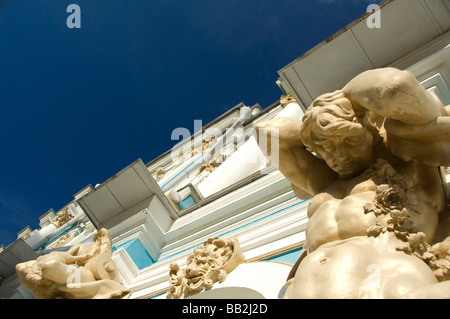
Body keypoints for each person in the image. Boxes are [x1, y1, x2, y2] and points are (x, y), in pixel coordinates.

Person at [254, 67, 450, 298]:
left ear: (371, 131)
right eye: (327, 147)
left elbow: (394, 85)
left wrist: (347, 102)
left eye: (350, 140)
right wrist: (320, 123)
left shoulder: (407, 160)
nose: (340, 155)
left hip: (391, 283)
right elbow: (267, 133)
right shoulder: (325, 182)